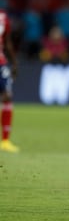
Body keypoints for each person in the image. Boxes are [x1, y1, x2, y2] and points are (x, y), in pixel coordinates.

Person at [0, 9, 18, 153]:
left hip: (1, 62)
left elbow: (7, 41)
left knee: (8, 96)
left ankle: (5, 141)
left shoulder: (3, 16)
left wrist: (14, 62)